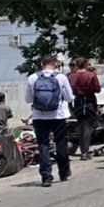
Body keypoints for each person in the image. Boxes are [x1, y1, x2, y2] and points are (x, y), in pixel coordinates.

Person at [28, 54, 75, 187]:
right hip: (58, 115)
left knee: (43, 145)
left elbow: (28, 99)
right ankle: (64, 172)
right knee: (61, 143)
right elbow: (69, 97)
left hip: (39, 116)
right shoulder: (61, 77)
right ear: (55, 64)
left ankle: (46, 176)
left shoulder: (32, 78)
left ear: (41, 64)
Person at [70, 58, 102, 161]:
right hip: (89, 101)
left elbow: (71, 89)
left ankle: (84, 151)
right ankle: (85, 152)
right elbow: (97, 89)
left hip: (78, 101)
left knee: (81, 126)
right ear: (85, 64)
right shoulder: (91, 75)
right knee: (87, 127)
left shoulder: (72, 76)